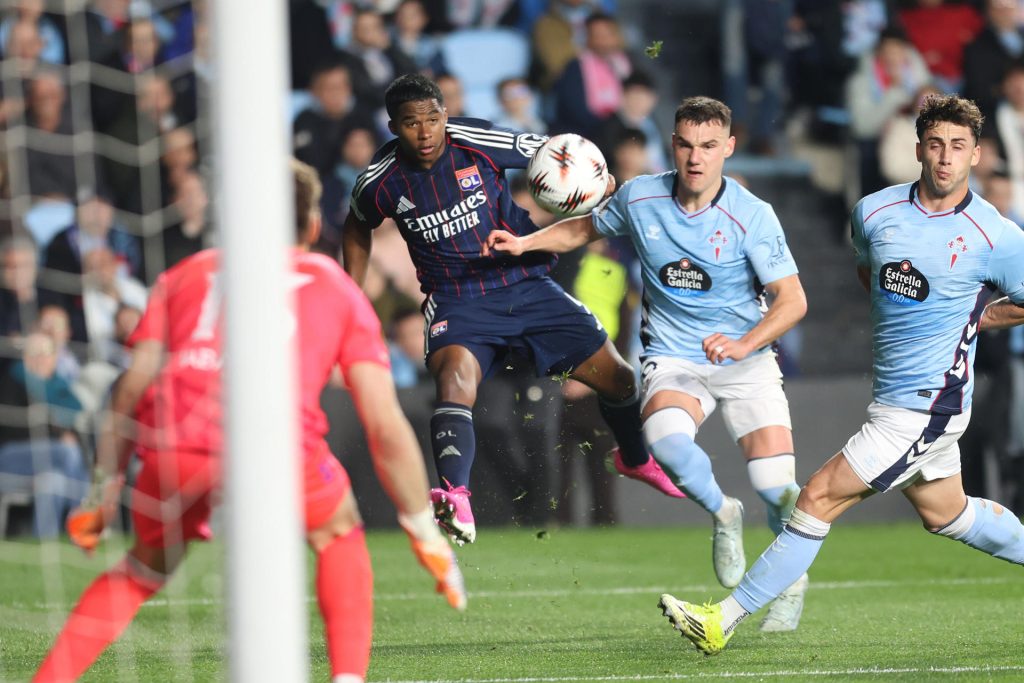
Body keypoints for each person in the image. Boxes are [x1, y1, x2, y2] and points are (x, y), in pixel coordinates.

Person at [32, 159, 466, 683]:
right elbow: (384, 422)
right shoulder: (332, 283)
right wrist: (423, 531)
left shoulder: (185, 273)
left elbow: (131, 387)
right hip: (278, 447)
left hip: (175, 447)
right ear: (310, 228)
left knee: (143, 568)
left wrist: (103, 488)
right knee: (338, 531)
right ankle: (347, 677)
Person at [658, 94, 1024, 656]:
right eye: (935, 145)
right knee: (946, 513)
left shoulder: (995, 235)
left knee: (818, 496)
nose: (946, 158)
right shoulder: (874, 212)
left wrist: (977, 316)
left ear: (976, 153)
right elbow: (869, 270)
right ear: (918, 149)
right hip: (893, 398)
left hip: (928, 405)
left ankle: (722, 620)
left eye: (958, 147)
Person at [484, 96, 809, 628]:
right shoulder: (639, 197)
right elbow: (582, 229)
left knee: (778, 489)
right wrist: (525, 243)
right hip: (674, 357)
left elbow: (792, 299)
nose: (695, 158)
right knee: (666, 443)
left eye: (708, 146)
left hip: (745, 361)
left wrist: (746, 343)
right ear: (672, 145)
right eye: (685, 144)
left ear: (728, 148)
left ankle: (791, 578)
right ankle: (724, 513)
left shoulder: (753, 215)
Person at [342, 73, 680, 546]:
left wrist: (597, 180)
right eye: (412, 123)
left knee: (620, 380)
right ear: (394, 126)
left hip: (523, 281)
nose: (425, 133)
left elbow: (557, 153)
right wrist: (351, 295)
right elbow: (357, 225)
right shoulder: (379, 182)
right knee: (454, 380)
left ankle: (634, 457)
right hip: (456, 299)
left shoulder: (477, 140)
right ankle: (454, 494)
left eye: (433, 120)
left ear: (444, 115)